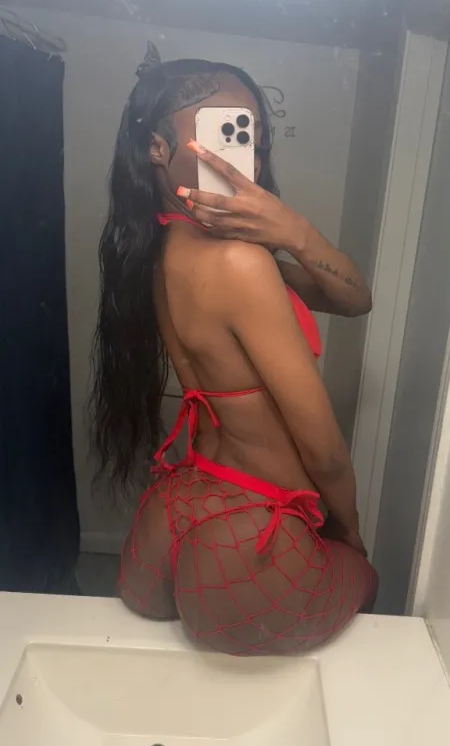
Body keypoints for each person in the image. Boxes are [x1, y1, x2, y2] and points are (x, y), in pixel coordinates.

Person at [91, 42, 378, 656]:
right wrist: (348, 531)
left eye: (248, 137)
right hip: (255, 532)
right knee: (366, 585)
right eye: (220, 132)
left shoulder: (159, 250)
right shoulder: (241, 265)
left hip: (178, 508)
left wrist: (291, 231)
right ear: (157, 149)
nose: (240, 156)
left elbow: (355, 299)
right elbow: (324, 451)